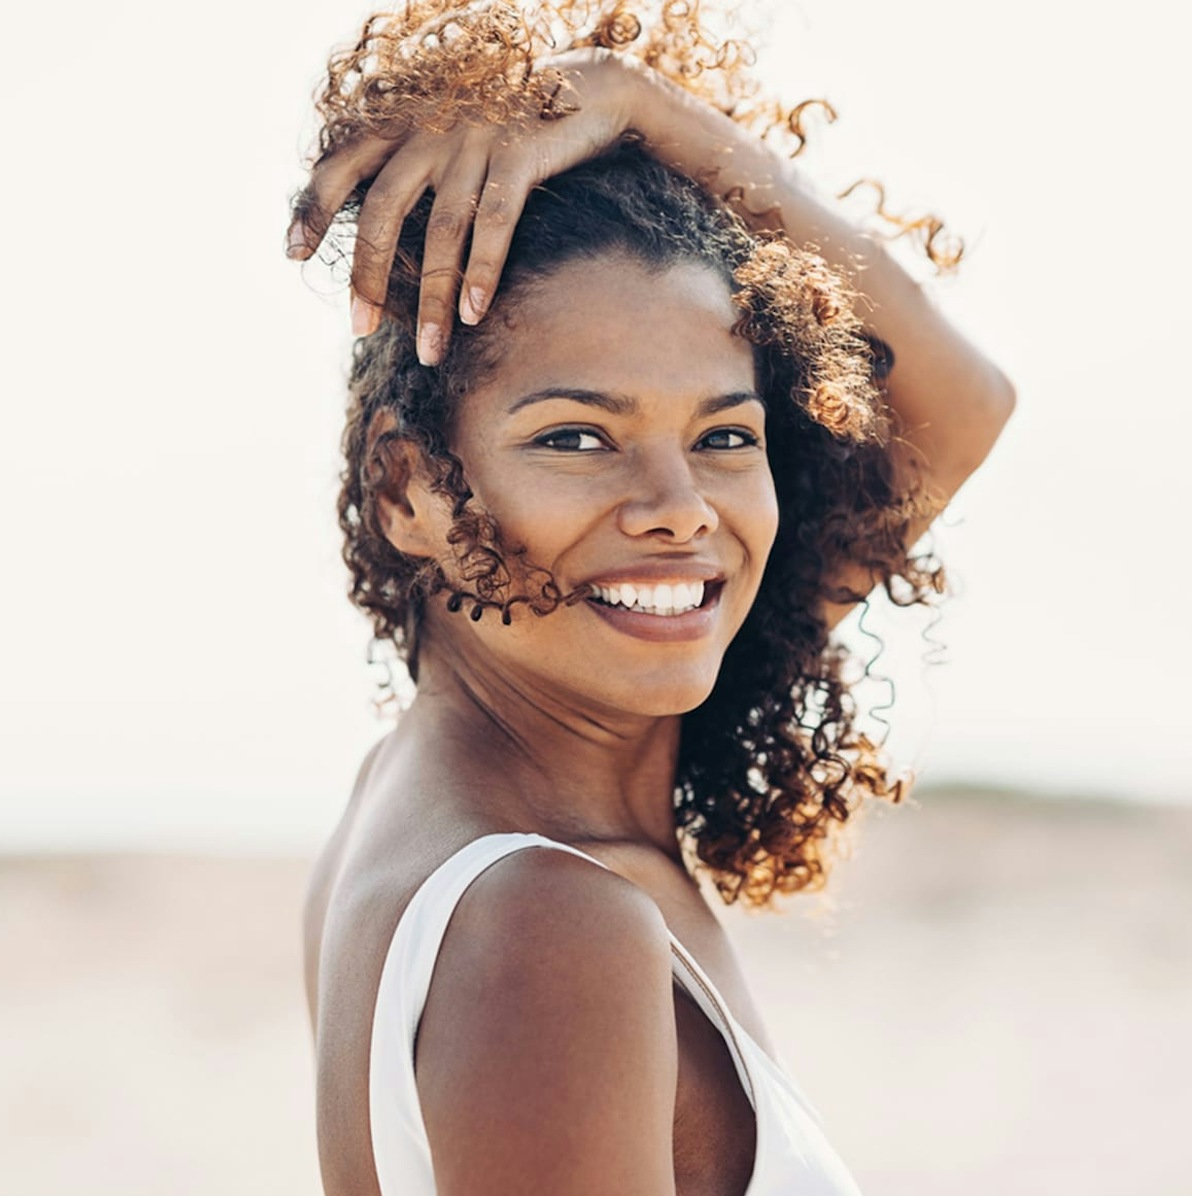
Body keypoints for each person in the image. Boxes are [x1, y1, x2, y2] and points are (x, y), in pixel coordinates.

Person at [287, 3, 1015, 1193]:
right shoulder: (546, 918)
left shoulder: (447, 785)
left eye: (725, 433)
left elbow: (957, 408)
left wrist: (647, 108)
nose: (679, 508)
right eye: (579, 436)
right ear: (408, 484)